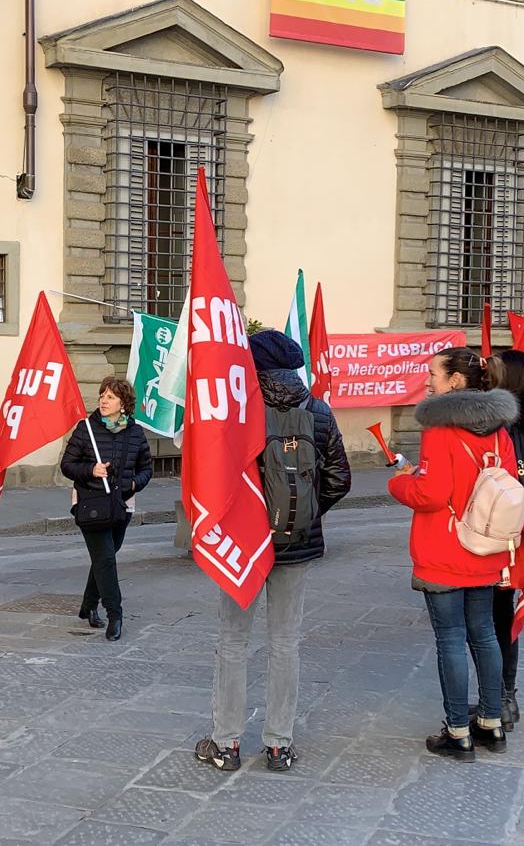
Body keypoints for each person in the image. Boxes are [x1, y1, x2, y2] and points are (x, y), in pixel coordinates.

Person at [194, 331, 350, 774]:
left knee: (232, 641)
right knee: (285, 642)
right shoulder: (318, 411)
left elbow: (217, 478)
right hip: (297, 545)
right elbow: (340, 478)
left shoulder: (239, 412)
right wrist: (307, 517)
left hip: (244, 546)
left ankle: (225, 743)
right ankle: (279, 744)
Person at [388, 346, 517, 762]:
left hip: (445, 546)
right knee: (484, 634)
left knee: (450, 639)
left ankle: (458, 730)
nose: (428, 381)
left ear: (455, 382)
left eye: (433, 374)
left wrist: (400, 484)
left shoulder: (440, 431)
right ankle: (492, 723)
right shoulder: (499, 428)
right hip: (486, 545)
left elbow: (431, 493)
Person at [58, 376, 152, 642]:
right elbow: (67, 465)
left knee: (105, 557)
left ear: (124, 403)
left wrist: (135, 482)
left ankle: (88, 604)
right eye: (102, 395)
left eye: (110, 396)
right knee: (106, 559)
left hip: (122, 504)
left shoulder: (135, 432)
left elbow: (147, 467)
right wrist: (91, 469)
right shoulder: (85, 428)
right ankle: (115, 614)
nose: (103, 400)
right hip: (90, 504)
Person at [486, 349, 524, 731]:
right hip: (521, 530)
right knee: (501, 617)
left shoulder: (502, 425)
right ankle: (505, 696)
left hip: (500, 532)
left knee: (489, 619)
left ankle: (499, 697)